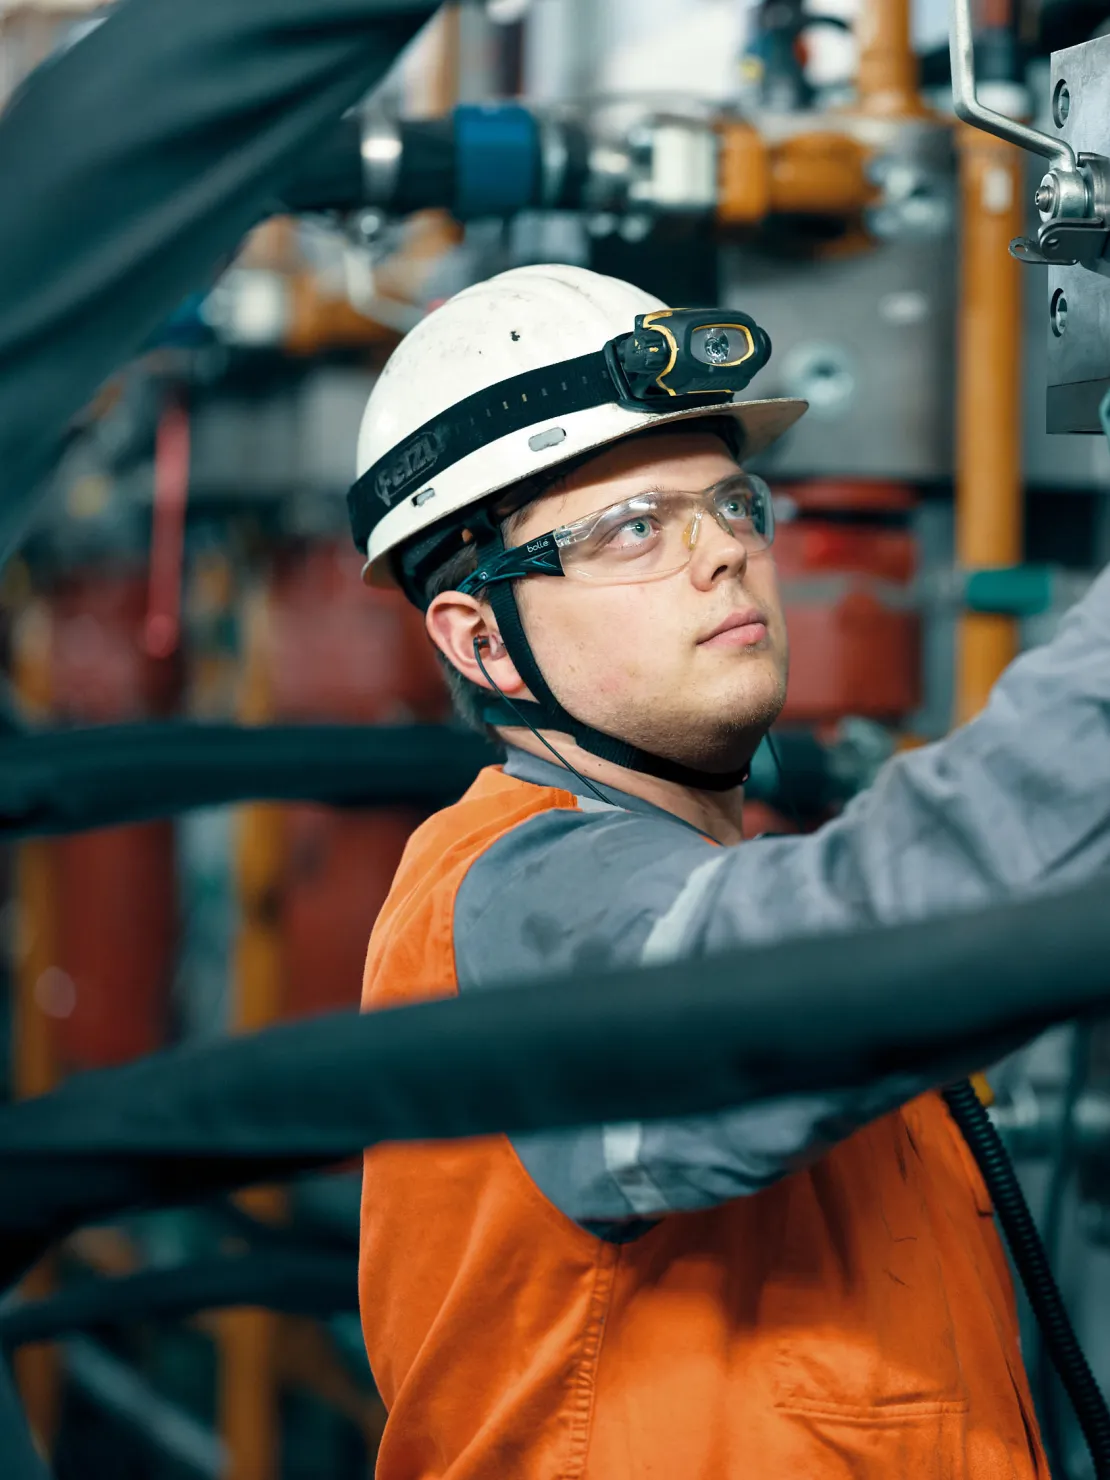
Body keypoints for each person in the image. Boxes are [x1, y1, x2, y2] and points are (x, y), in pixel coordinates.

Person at [351, 262, 1110, 1479]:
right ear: (482, 638)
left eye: (732, 504)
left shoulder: (722, 874)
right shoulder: (518, 893)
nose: (723, 555)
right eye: (632, 529)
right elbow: (868, 937)